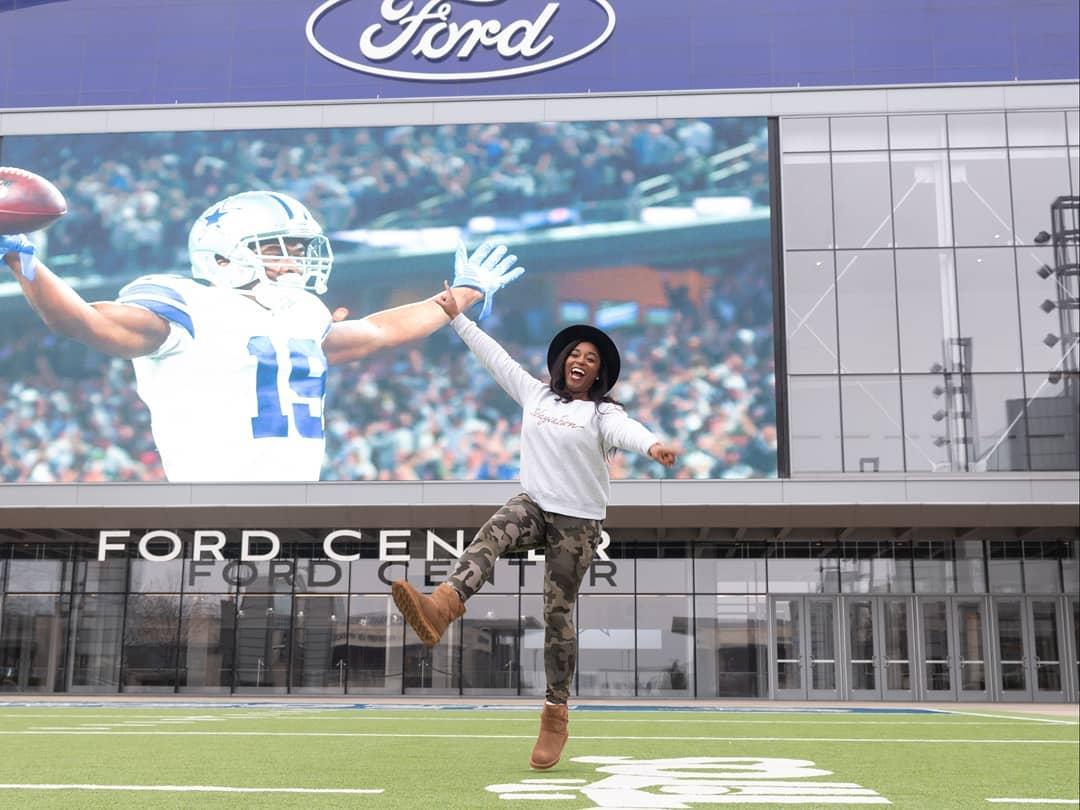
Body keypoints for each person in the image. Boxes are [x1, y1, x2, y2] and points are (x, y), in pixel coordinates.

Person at [0, 190, 523, 481]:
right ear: (222, 256)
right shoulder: (184, 302)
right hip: (207, 505)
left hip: (297, 501)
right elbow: (82, 322)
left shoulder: (301, 312)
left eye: (299, 248)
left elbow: (376, 332)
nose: (294, 259)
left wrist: (463, 294)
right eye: (277, 248)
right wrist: (26, 263)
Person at [392, 281, 678, 770]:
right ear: (562, 361)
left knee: (557, 615)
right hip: (535, 503)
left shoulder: (602, 413)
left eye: (591, 358)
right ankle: (441, 606)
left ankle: (555, 713)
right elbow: (496, 359)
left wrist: (652, 445)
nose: (581, 360)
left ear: (599, 373)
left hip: (578, 520)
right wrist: (457, 318)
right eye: (575, 354)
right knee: (492, 533)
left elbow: (626, 431)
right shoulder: (535, 395)